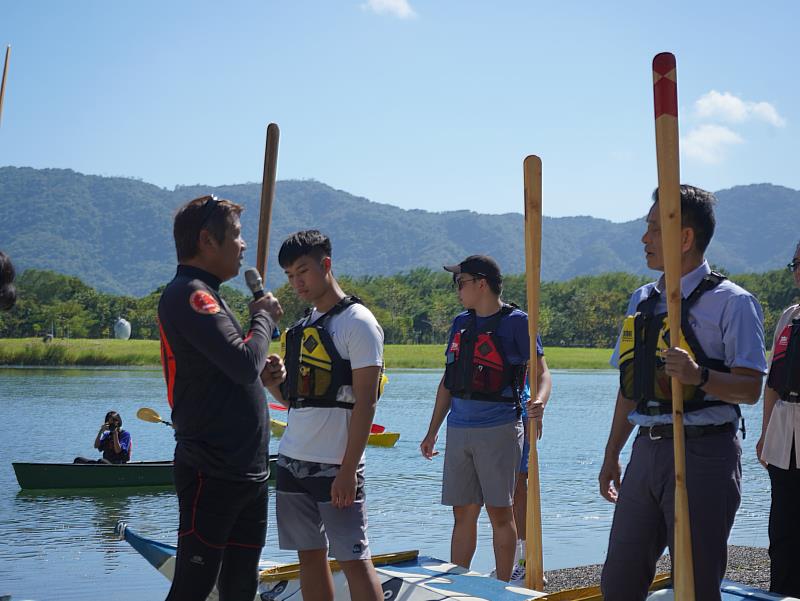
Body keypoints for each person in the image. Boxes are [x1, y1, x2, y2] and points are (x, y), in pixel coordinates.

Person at [598, 185, 767, 601]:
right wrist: (610, 454)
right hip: (646, 451)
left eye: (654, 229)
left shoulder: (734, 303)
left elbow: (750, 389)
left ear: (685, 238)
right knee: (618, 583)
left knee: (695, 585)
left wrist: (699, 376)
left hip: (705, 453)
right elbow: (629, 388)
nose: (644, 239)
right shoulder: (642, 300)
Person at [157, 194, 285, 601]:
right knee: (193, 587)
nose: (243, 244)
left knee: (240, 587)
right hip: (211, 471)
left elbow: (241, 367)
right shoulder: (190, 294)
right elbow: (242, 361)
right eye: (236, 235)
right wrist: (263, 316)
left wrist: (265, 371)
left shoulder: (211, 294)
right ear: (207, 240)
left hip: (247, 472)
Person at [268, 230, 385, 601]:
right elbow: (296, 400)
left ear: (326, 265)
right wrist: (272, 384)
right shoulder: (300, 328)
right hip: (291, 461)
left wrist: (349, 470)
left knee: (353, 558)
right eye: (289, 275)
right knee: (309, 559)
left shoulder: (358, 322)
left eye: (302, 271)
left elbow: (366, 403)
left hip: (336, 466)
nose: (296, 282)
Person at [420, 255, 548, 582]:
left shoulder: (517, 322)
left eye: (460, 283)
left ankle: (503, 585)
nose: (457, 290)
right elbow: (448, 381)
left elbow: (543, 374)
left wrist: (539, 401)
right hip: (459, 427)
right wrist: (431, 431)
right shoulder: (460, 323)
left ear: (482, 284)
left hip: (500, 427)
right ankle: (458, 582)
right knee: (462, 512)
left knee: (500, 513)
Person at [756, 240, 800, 596]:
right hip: (784, 430)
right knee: (782, 527)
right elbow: (772, 379)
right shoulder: (789, 317)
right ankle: (779, 593)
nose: (798, 269)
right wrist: (764, 432)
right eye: (796, 263)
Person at [512, 365, 552, 582]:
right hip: (497, 414)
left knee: (517, 486)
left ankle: (527, 561)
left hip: (522, 411)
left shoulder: (526, 332)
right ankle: (513, 560)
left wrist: (539, 405)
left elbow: (543, 373)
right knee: (504, 492)